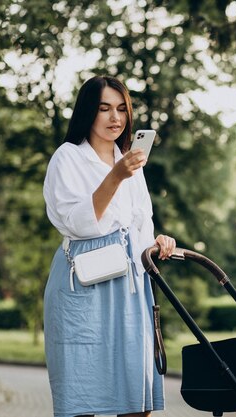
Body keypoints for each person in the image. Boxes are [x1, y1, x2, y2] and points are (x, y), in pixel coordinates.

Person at [43, 75, 176, 417]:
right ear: (88, 111)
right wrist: (115, 175)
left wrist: (156, 242)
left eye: (121, 109)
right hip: (85, 284)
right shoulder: (67, 157)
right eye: (104, 109)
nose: (115, 118)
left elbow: (141, 220)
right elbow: (76, 222)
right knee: (82, 395)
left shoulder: (131, 160)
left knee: (135, 397)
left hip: (130, 286)